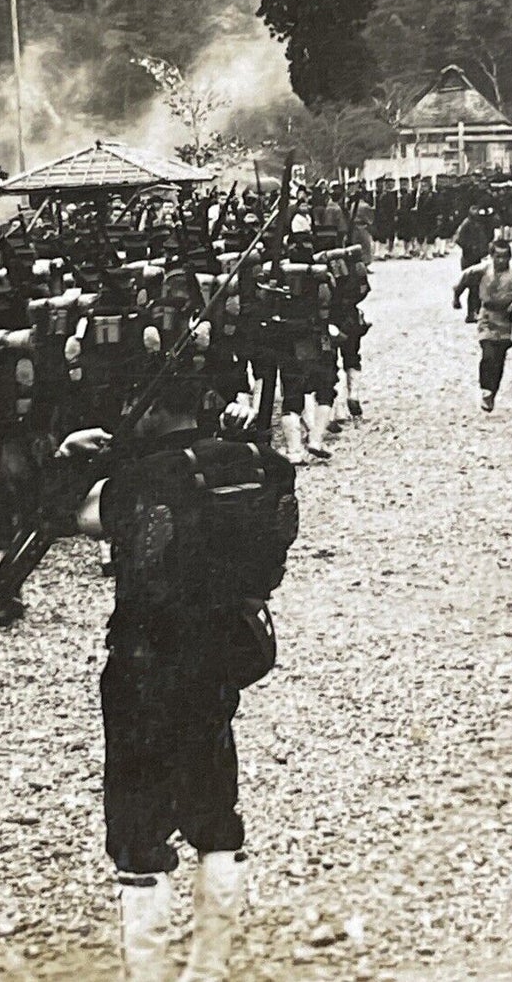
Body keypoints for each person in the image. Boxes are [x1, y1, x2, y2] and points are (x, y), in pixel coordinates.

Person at [67, 376, 298, 982]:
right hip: (224, 653)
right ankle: (209, 967)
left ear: (146, 413)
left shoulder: (143, 479)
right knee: (216, 805)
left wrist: (73, 458)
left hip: (146, 659)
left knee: (138, 819)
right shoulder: (262, 465)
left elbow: (82, 515)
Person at [452, 239, 512, 412]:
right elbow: (463, 279)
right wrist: (456, 297)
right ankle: (485, 389)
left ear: (510, 257)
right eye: (497, 257)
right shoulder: (482, 270)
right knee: (488, 353)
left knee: (499, 358)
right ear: (491, 256)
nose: (501, 261)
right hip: (486, 316)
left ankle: (492, 391)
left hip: (504, 318)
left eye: (505, 257)